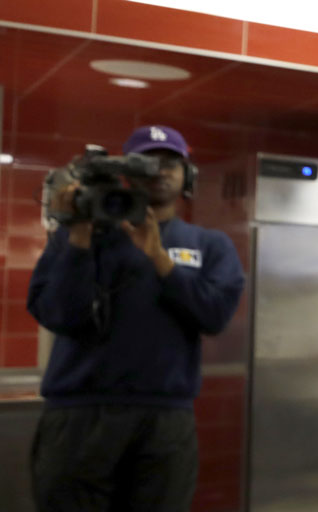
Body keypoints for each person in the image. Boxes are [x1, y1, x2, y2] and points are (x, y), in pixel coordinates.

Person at [29, 125, 246, 511]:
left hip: (164, 420)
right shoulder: (77, 235)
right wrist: (78, 236)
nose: (160, 172)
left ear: (187, 176)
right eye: (148, 164)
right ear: (127, 173)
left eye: (171, 164)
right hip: (80, 415)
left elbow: (214, 316)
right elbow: (57, 314)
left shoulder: (210, 245)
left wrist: (160, 261)